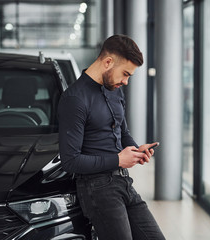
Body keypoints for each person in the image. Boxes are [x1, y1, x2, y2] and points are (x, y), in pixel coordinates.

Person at [58, 34, 165, 240]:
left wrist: (135, 150)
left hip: (123, 182)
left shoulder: (114, 90)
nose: (125, 81)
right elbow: (70, 161)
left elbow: (122, 133)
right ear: (108, 62)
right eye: (125, 74)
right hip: (96, 189)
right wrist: (118, 159)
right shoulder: (75, 99)